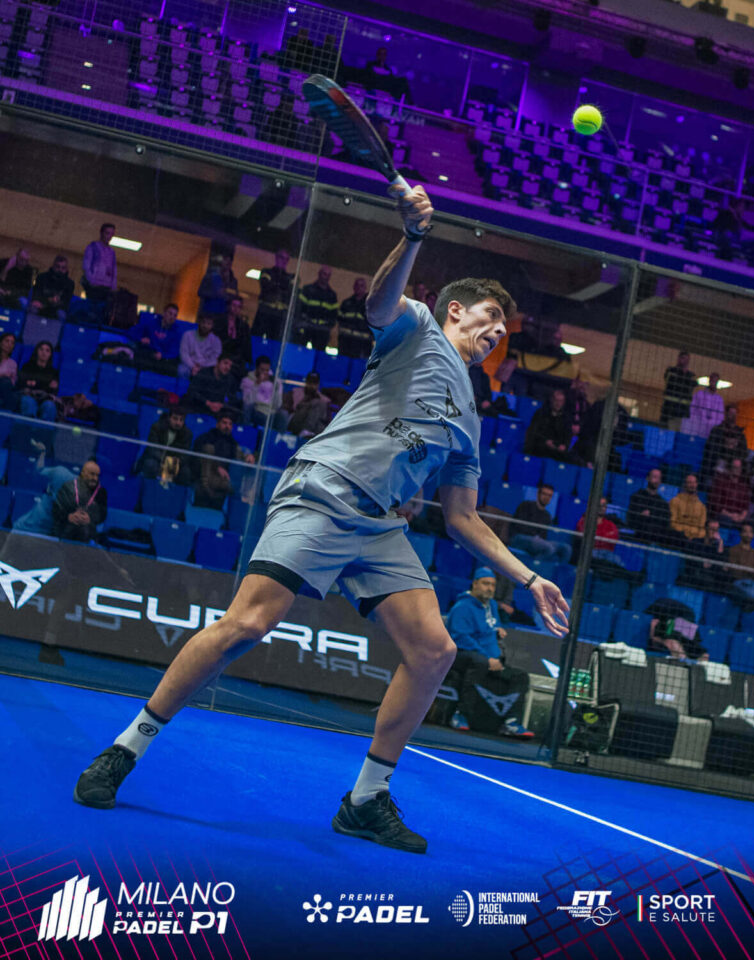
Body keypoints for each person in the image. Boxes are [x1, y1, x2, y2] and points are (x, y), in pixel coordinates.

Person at [73, 183, 569, 855]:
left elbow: (462, 517)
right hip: (324, 491)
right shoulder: (418, 327)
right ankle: (125, 748)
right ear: (456, 310)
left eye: (503, 332)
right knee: (248, 623)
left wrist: (528, 578)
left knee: (436, 650)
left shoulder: (470, 420)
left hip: (380, 527)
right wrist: (412, 236)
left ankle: (365, 799)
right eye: (488, 319)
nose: (495, 335)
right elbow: (378, 302)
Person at [444, 568, 532, 738]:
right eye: (485, 583)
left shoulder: (491, 606)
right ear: (475, 584)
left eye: (493, 585)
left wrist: (497, 630)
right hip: (460, 656)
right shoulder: (462, 607)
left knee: (520, 676)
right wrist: (487, 658)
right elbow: (460, 638)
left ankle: (511, 722)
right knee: (479, 662)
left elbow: (490, 625)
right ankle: (460, 714)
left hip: (488, 657)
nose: (490, 588)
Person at [192, 411, 255, 508]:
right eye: (224, 423)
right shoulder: (206, 438)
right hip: (205, 475)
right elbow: (198, 455)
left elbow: (240, 454)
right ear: (217, 424)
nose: (227, 426)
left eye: (230, 424)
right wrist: (217, 467)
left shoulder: (232, 443)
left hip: (223, 478)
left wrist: (248, 456)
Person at [510, 482, 571, 563]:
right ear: (538, 494)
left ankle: (556, 570)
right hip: (519, 538)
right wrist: (535, 537)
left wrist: (539, 539)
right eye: (544, 494)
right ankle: (534, 568)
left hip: (537, 541)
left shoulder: (547, 515)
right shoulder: (526, 505)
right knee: (548, 548)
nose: (546, 497)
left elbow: (543, 535)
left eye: (549, 495)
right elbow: (519, 526)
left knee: (566, 549)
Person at [52, 459, 107, 542]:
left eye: (97, 475)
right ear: (83, 473)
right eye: (92, 474)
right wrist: (68, 517)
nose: (95, 478)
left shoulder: (101, 492)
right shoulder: (68, 487)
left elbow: (102, 514)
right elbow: (56, 509)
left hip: (88, 533)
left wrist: (90, 519)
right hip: (64, 529)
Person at [135, 409, 192, 486]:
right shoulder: (157, 427)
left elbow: (185, 455)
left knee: (185, 472)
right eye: (175, 419)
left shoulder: (187, 434)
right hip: (157, 459)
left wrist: (172, 462)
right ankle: (148, 487)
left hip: (174, 462)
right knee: (150, 465)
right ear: (169, 418)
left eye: (181, 420)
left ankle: (171, 491)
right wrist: (164, 460)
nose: (178, 423)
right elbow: (152, 449)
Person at [701, 405, 747, 487]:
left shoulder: (740, 434)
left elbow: (743, 452)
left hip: (732, 466)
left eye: (735, 413)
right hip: (717, 463)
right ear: (726, 414)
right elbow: (710, 449)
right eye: (731, 413)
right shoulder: (717, 430)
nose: (733, 416)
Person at [129, 303, 184, 372]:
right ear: (164, 313)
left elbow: (174, 351)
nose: (172, 317)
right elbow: (131, 332)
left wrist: (162, 355)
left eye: (175, 315)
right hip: (148, 353)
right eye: (170, 313)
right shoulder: (151, 323)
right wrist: (140, 339)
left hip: (163, 360)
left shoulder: (176, 332)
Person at [523, 388, 574, 462]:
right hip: (540, 446)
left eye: (561, 401)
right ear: (551, 400)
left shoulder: (566, 418)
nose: (558, 404)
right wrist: (545, 441)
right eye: (556, 400)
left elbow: (568, 435)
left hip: (557, 449)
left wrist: (564, 446)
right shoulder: (541, 414)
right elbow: (533, 432)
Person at [295, 266, 339, 351]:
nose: (326, 277)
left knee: (319, 354)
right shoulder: (307, 290)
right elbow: (299, 308)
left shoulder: (332, 295)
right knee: (300, 351)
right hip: (306, 327)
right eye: (324, 274)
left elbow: (334, 315)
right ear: (319, 274)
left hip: (322, 330)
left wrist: (328, 326)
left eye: (328, 275)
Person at [727, 522, 754, 612]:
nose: (748, 534)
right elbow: (734, 572)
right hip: (738, 583)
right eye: (745, 531)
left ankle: (752, 606)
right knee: (752, 593)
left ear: (753, 535)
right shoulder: (733, 550)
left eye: (750, 532)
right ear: (741, 534)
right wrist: (752, 570)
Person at [185, 353, 240, 419]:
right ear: (217, 362)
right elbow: (192, 392)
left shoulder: (230, 379)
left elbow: (232, 398)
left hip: (218, 412)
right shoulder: (204, 373)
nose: (228, 368)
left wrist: (222, 405)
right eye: (225, 363)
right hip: (199, 407)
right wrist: (208, 403)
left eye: (230, 366)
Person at [627, 468, 673, 546]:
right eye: (654, 477)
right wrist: (641, 515)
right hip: (639, 535)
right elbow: (631, 518)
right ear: (648, 478)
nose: (657, 480)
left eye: (659, 478)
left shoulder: (663, 504)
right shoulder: (637, 497)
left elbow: (665, 523)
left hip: (655, 538)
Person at [241, 355, 287, 429]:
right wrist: (257, 384)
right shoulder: (247, 380)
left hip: (271, 412)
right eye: (262, 370)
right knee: (249, 409)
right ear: (256, 368)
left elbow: (277, 405)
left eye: (267, 370)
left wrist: (276, 389)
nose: (265, 372)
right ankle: (247, 430)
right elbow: (248, 401)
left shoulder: (276, 382)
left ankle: (278, 436)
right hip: (257, 410)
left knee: (283, 414)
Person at [679, 518, 725, 591]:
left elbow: (720, 563)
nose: (714, 532)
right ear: (706, 529)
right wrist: (702, 563)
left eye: (716, 530)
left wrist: (720, 542)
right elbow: (691, 560)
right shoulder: (696, 542)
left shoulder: (718, 547)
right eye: (712, 529)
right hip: (695, 572)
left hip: (710, 575)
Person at [255, 249, 292, 340]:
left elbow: (288, 293)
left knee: (274, 341)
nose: (283, 261)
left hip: (279, 316)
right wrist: (281, 284)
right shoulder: (266, 272)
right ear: (276, 258)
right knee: (257, 337)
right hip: (264, 312)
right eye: (281, 258)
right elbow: (266, 286)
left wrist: (277, 283)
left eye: (286, 259)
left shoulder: (289, 277)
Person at [17, 340, 59, 421]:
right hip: (28, 395)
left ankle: (43, 429)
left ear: (50, 354)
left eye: (47, 350)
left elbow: (53, 390)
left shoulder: (54, 372)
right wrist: (46, 384)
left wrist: (34, 382)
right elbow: (21, 384)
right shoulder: (27, 367)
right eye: (41, 349)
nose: (44, 352)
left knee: (50, 406)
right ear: (37, 351)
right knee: (28, 402)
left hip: (45, 398)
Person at [213, 296, 252, 380]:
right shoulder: (219, 320)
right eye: (234, 305)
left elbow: (246, 345)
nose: (236, 309)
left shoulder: (243, 326)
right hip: (219, 354)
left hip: (235, 358)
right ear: (229, 306)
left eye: (239, 306)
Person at [285, 370, 331, 438]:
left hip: (314, 425)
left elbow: (327, 419)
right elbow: (289, 408)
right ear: (306, 382)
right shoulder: (296, 392)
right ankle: (306, 431)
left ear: (318, 384)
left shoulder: (324, 399)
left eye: (314, 383)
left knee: (321, 426)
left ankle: (308, 434)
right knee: (318, 403)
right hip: (297, 420)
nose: (312, 385)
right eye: (310, 382)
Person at [709, 458, 751, 528]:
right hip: (724, 515)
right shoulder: (721, 481)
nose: (737, 470)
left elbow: (746, 506)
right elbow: (716, 504)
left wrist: (741, 517)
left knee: (748, 525)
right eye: (735, 467)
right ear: (729, 468)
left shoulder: (744, 486)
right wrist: (731, 515)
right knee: (727, 520)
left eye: (739, 468)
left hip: (739, 517)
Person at [29, 255, 74, 320]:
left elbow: (66, 302)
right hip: (41, 305)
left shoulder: (70, 284)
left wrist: (52, 302)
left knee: (62, 315)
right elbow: (36, 294)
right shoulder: (41, 277)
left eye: (63, 268)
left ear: (66, 269)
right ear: (53, 266)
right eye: (58, 267)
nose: (60, 270)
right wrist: (46, 301)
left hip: (57, 309)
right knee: (32, 308)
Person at [338, 278, 373, 358]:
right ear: (354, 287)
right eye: (357, 285)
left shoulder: (370, 306)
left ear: (365, 288)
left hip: (363, 345)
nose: (359, 288)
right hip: (345, 343)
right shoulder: (346, 303)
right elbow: (340, 320)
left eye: (361, 286)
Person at [682, 373, 724, 439]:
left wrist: (711, 423)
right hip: (697, 428)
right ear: (709, 381)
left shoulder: (719, 399)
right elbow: (692, 410)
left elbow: (720, 417)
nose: (713, 383)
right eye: (712, 380)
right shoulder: (699, 394)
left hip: (711, 431)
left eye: (715, 381)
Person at [660, 351, 696, 428]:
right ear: (679, 359)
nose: (686, 361)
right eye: (683, 358)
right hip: (669, 409)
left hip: (683, 411)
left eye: (687, 360)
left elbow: (692, 385)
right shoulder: (671, 371)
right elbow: (671, 381)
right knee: (666, 430)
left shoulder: (691, 375)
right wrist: (683, 376)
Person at [197, 253, 239, 319]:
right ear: (221, 261)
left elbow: (234, 297)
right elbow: (200, 292)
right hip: (208, 313)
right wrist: (215, 293)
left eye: (229, 261)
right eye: (225, 260)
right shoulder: (210, 276)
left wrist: (226, 296)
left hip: (222, 315)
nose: (227, 263)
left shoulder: (233, 281)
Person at [82, 224, 117, 301]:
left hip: (106, 287)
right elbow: (86, 266)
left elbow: (114, 270)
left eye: (112, 234)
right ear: (101, 233)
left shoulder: (111, 252)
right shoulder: (93, 247)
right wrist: (91, 281)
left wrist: (113, 286)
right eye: (107, 233)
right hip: (94, 286)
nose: (109, 236)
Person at [669, 473, 706, 542]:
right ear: (684, 485)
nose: (692, 485)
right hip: (678, 536)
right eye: (689, 483)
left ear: (697, 484)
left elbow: (702, 529)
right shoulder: (675, 501)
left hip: (695, 539)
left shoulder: (702, 507)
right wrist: (688, 532)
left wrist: (693, 535)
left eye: (694, 482)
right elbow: (672, 523)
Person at [0, 332, 17, 411]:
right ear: (1, 343)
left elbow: (12, 383)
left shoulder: (13, 364)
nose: (9, 344)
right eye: (7, 341)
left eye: (12, 343)